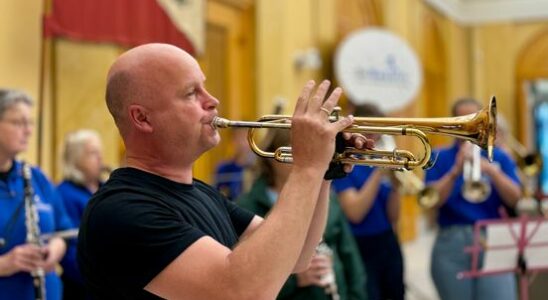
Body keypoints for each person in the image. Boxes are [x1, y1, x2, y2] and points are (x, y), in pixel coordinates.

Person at [77, 43, 371, 299]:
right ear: (142, 118)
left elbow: (298, 255)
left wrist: (323, 172)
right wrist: (307, 167)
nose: (212, 100)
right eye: (192, 93)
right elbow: (244, 292)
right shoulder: (120, 211)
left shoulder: (203, 192)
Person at [237, 128, 367, 300]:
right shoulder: (247, 205)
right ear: (274, 156)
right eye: (297, 149)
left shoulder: (329, 199)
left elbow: (351, 260)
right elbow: (243, 281)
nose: (306, 156)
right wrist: (295, 279)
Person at [425, 98, 522, 300]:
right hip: (452, 240)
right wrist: (455, 171)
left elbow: (516, 199)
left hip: (493, 237)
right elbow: (431, 201)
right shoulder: (438, 157)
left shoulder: (499, 156)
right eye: (464, 121)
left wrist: (492, 172)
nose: (471, 128)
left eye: (476, 120)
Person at [0, 89, 72, 300]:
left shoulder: (36, 177)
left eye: (30, 122)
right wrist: (5, 264)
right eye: (19, 122)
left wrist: (54, 250)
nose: (29, 130)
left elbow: (63, 230)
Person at [331, 103, 405, 300]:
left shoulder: (376, 158)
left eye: (378, 132)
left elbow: (393, 216)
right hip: (359, 245)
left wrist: (397, 186)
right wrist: (379, 173)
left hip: (387, 241)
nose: (374, 137)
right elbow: (355, 213)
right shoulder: (345, 163)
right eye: (369, 131)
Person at [57, 129, 104, 299]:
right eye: (93, 153)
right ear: (76, 159)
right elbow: (68, 249)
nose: (100, 158)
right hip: (82, 287)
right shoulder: (64, 194)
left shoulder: (107, 188)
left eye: (100, 152)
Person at [214, 128, 255, 200]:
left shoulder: (256, 166)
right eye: (238, 138)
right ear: (232, 141)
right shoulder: (224, 168)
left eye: (245, 138)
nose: (241, 143)